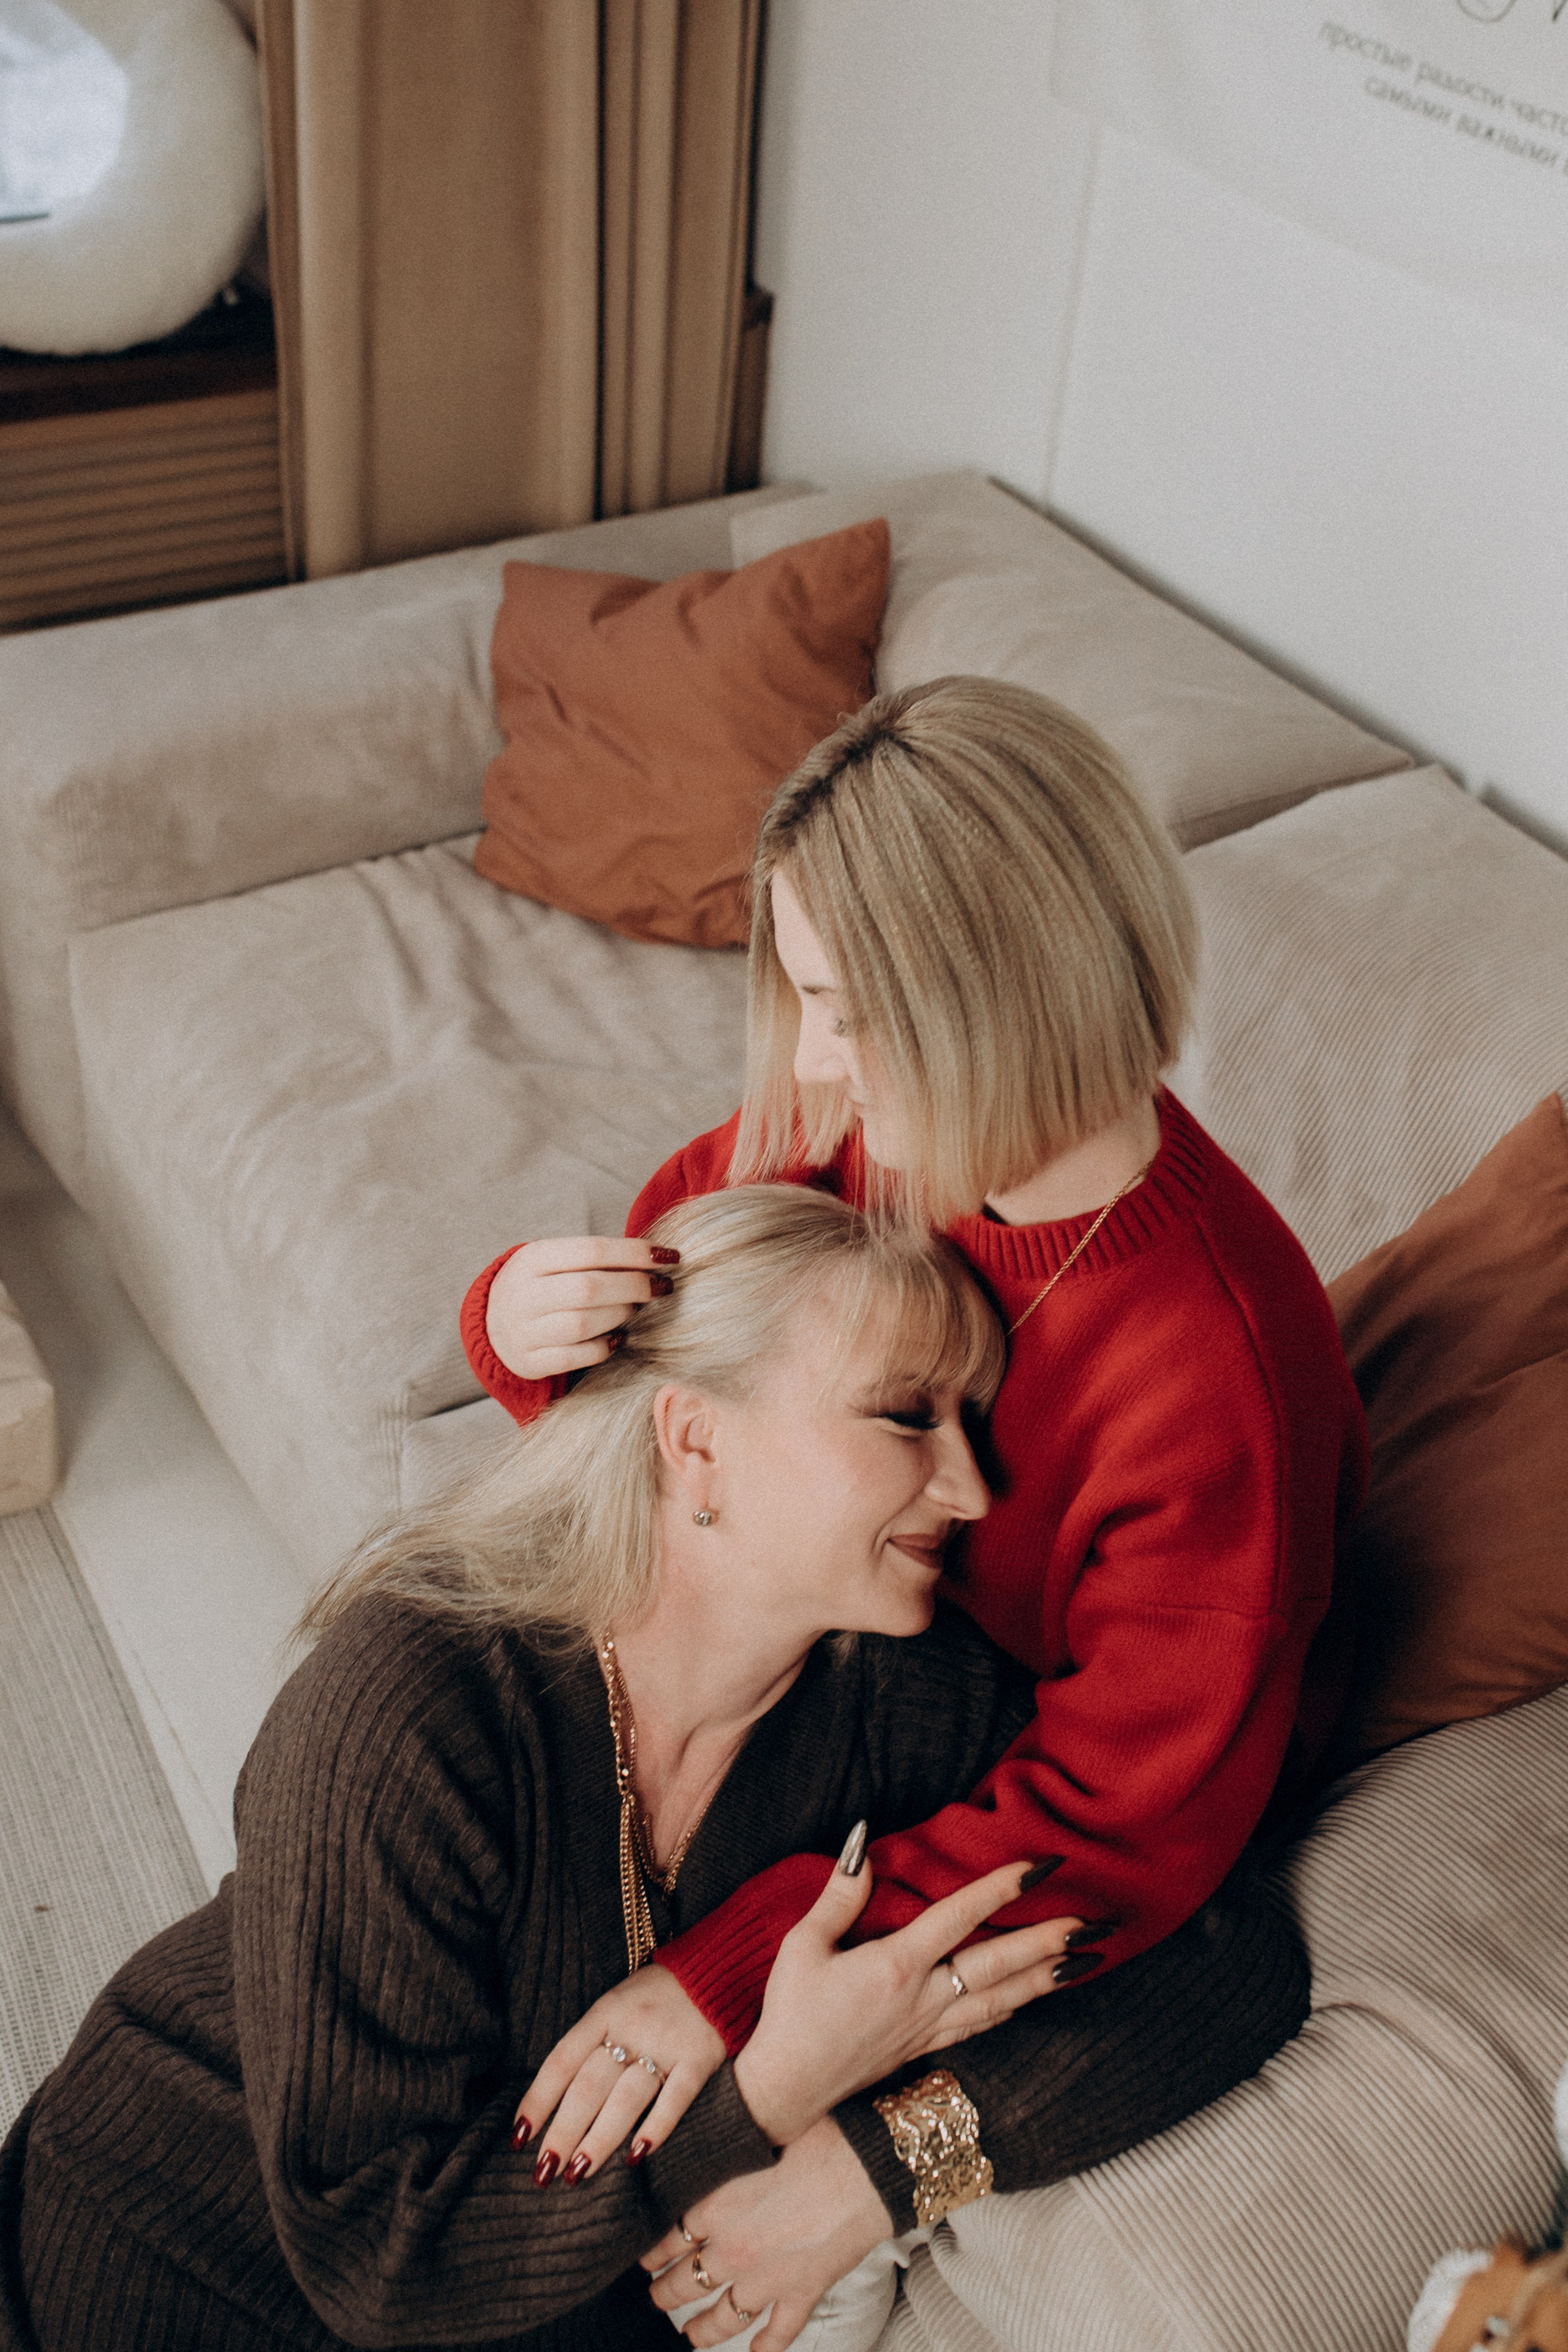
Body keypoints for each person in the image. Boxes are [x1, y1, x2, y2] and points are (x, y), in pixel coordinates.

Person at [0, 1188, 1308, 2352]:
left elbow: (1219, 1952)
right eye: (906, 1417)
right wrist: (769, 2090)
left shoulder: (899, 1695)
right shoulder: (409, 1709)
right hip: (179, 2256)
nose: (967, 1487)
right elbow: (385, 2266)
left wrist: (869, 2174)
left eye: (967, 1422)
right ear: (693, 1441)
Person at [465, 677, 1368, 2201]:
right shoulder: (851, 1146)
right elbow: (677, 1364)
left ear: (1005, 1003)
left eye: (847, 1014)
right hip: (856, 1660)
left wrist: (725, 1973)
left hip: (1070, 1792)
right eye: (803, 998)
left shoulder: (1219, 1386)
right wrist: (521, 1323)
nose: (812, 1062)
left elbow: (1113, 1824)